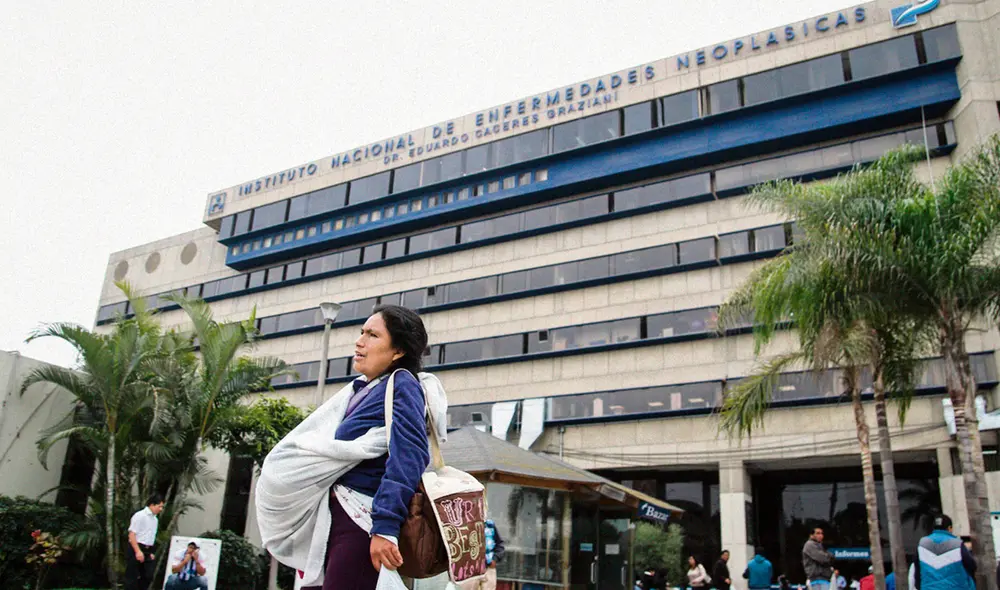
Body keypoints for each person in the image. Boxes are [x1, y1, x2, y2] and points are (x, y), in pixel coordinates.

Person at [303, 305, 433, 590]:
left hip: (362, 522)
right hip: (336, 521)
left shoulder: (402, 385)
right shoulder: (362, 390)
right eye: (362, 332)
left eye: (372, 335)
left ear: (398, 351)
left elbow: (409, 456)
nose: (359, 341)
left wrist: (385, 526)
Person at [914, 514, 975, 590]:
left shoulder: (922, 544)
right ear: (949, 528)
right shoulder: (957, 544)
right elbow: (971, 566)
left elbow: (917, 571)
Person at [125, 494, 165, 590]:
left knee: (148, 575)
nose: (160, 509)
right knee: (132, 577)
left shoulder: (155, 520)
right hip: (137, 547)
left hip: (148, 549)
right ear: (152, 505)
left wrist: (151, 552)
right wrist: (138, 551)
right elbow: (131, 535)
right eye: (159, 506)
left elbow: (151, 536)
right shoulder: (140, 516)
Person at [484, 518, 506, 590]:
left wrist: (495, 559)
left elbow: (500, 545)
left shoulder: (489, 525)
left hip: (489, 568)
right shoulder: (466, 524)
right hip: (471, 572)